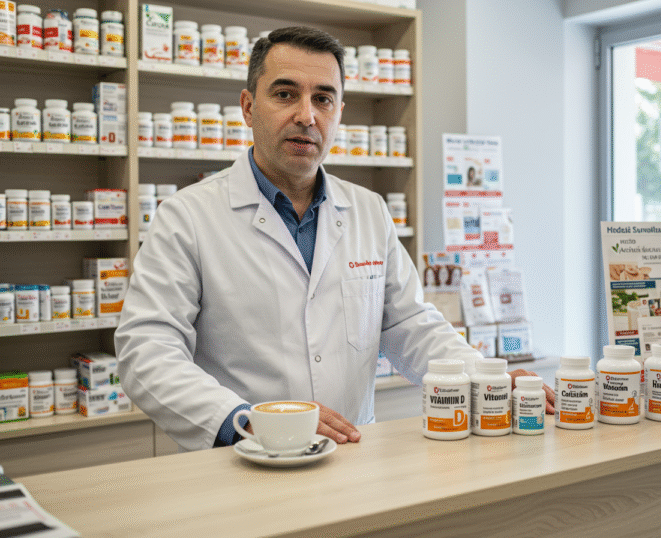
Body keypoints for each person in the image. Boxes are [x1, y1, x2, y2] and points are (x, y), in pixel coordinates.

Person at [115, 26, 554, 452]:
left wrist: (485, 377)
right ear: (248, 107)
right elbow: (148, 352)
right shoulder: (187, 217)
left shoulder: (368, 210)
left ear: (339, 112)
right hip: (239, 460)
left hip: (351, 457)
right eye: (285, 94)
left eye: (323, 98)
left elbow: (410, 325)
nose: (306, 115)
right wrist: (246, 419)